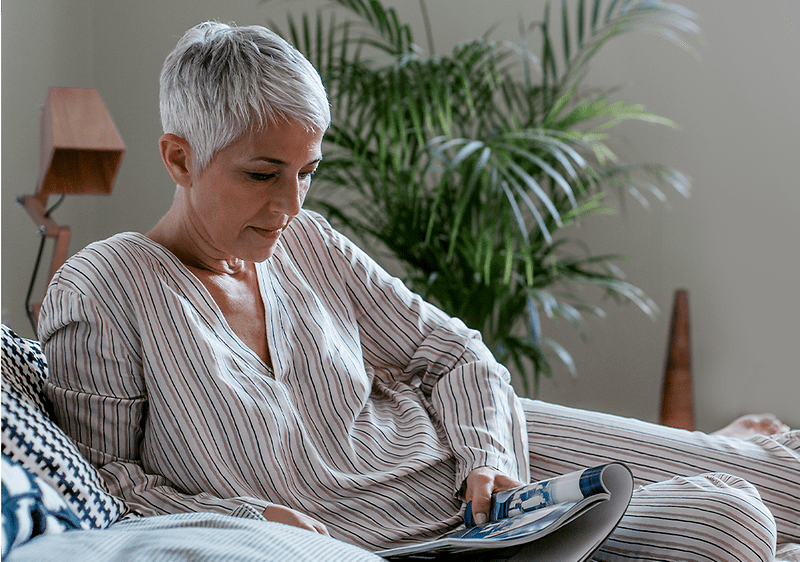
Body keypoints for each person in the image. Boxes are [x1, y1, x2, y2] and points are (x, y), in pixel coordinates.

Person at [38, 21, 799, 562]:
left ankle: (726, 450)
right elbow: (104, 480)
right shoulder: (102, 287)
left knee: (784, 479)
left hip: (475, 465)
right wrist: (243, 517)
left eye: (308, 172)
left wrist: (488, 451)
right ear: (179, 156)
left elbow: (454, 354)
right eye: (263, 174)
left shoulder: (308, 241)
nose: (292, 205)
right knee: (731, 521)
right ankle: (717, 459)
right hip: (422, 537)